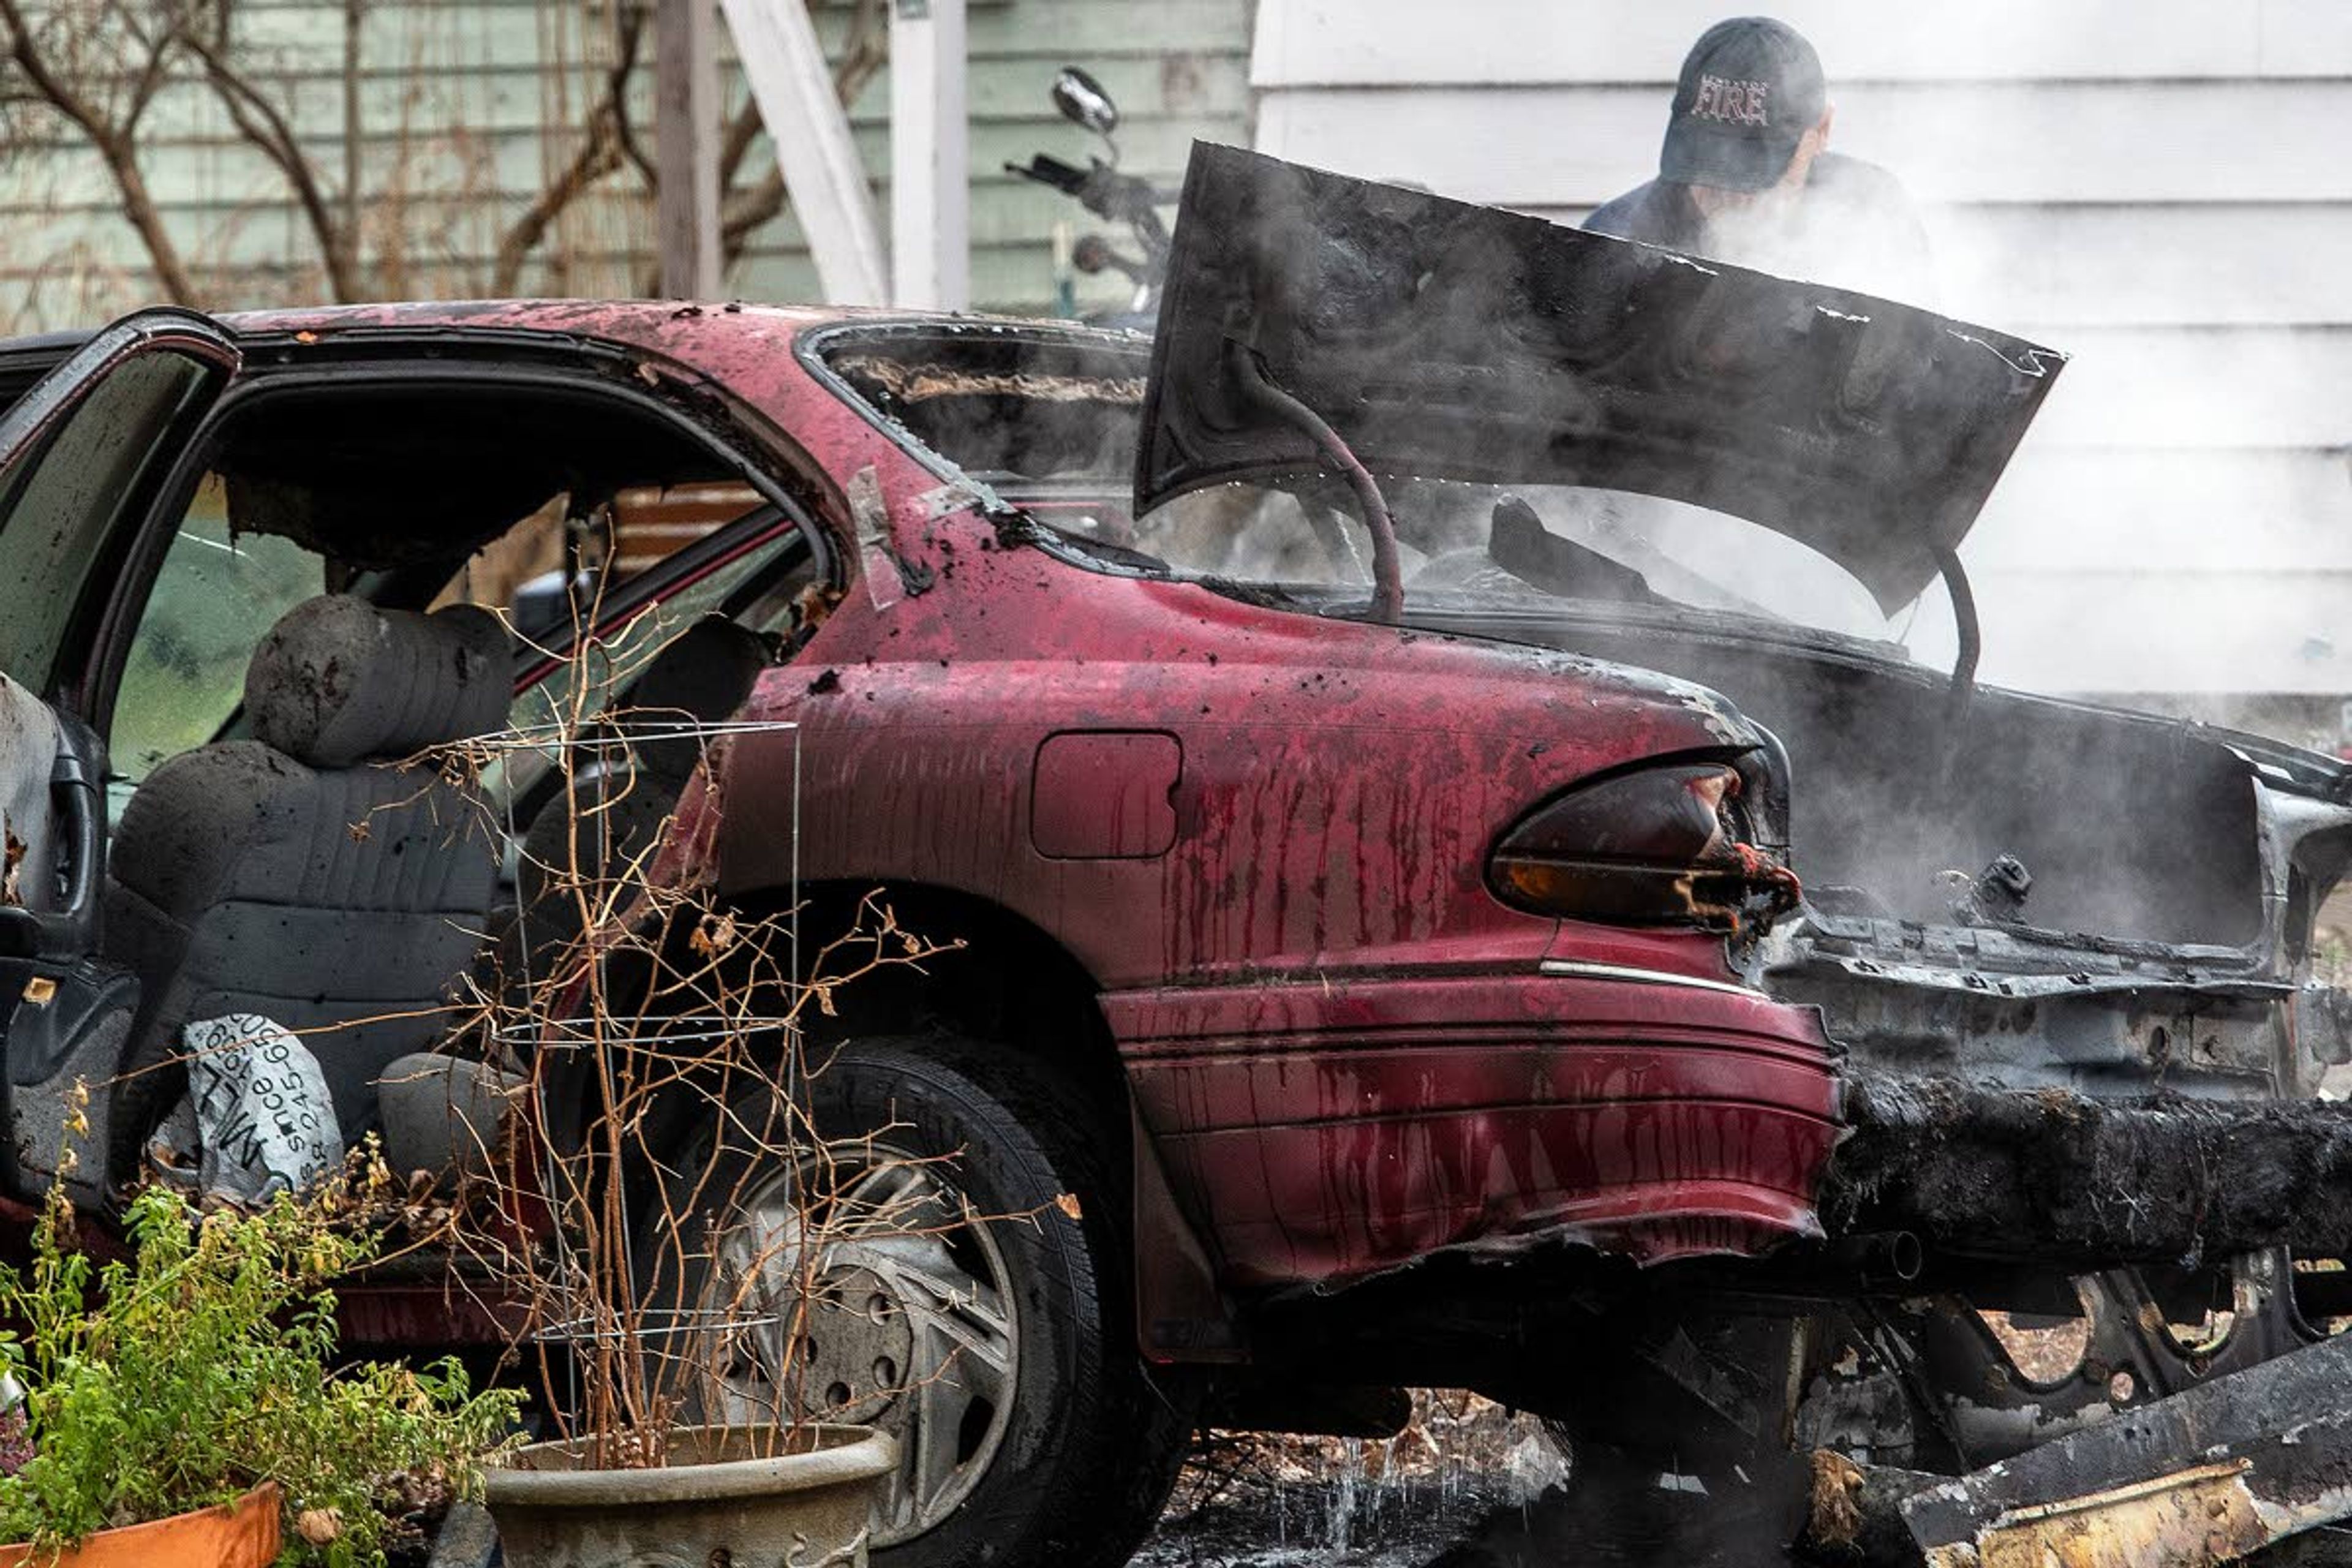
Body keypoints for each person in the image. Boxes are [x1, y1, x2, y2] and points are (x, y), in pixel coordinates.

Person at [1585, 16, 1934, 304]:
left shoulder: (1874, 210)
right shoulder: (1614, 243)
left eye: (1754, 171)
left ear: (1822, 131)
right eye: (1707, 165)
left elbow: (1929, 366)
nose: (1731, 194)